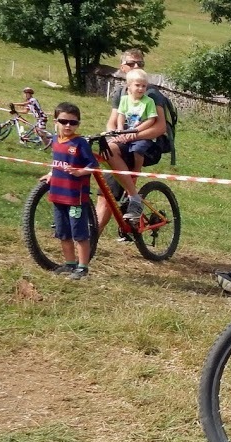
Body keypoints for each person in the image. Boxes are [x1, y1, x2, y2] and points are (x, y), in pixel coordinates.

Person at [96, 48, 171, 237]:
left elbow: (160, 127)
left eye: (140, 63)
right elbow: (113, 121)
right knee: (108, 152)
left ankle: (92, 239)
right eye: (131, 63)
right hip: (123, 142)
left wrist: (132, 136)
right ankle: (128, 210)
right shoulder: (120, 93)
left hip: (146, 145)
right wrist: (114, 135)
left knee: (107, 195)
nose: (136, 66)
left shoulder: (151, 94)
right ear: (122, 68)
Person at [42, 102, 99, 280]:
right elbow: (57, 162)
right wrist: (51, 173)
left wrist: (80, 172)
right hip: (57, 196)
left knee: (79, 233)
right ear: (56, 122)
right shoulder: (55, 141)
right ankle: (69, 263)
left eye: (73, 122)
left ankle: (83, 268)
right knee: (63, 232)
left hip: (75, 198)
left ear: (78, 124)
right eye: (63, 121)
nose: (68, 126)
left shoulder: (80, 143)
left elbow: (93, 165)